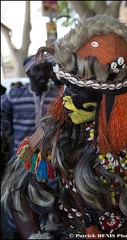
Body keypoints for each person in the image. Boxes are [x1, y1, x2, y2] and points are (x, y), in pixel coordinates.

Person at [1, 14, 127, 239]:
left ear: (110, 97)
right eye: (64, 86)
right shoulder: (55, 130)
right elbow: (18, 192)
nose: (63, 98)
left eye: (76, 90)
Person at [0, 54, 62, 239]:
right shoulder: (14, 96)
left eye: (46, 68)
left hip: (52, 165)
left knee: (52, 209)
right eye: (37, 69)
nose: (42, 73)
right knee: (20, 209)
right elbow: (2, 115)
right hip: (21, 165)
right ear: (27, 73)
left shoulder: (59, 97)